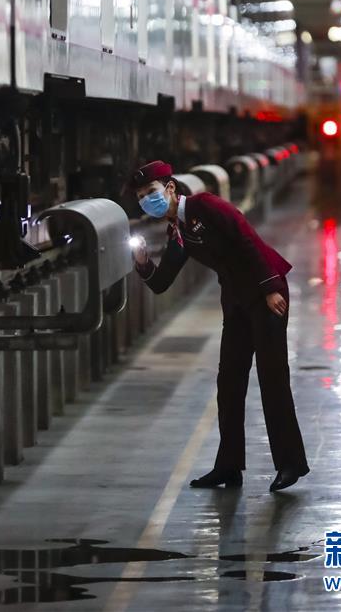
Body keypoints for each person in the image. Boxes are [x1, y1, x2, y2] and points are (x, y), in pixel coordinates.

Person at [126, 160, 309, 492]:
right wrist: (142, 263)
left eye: (150, 191)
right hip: (237, 300)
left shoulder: (206, 206)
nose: (146, 200)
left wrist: (270, 288)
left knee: (272, 378)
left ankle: (290, 464)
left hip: (265, 294)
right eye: (140, 197)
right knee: (229, 382)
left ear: (170, 188)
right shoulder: (178, 231)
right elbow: (162, 282)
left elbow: (246, 238)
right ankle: (228, 467)